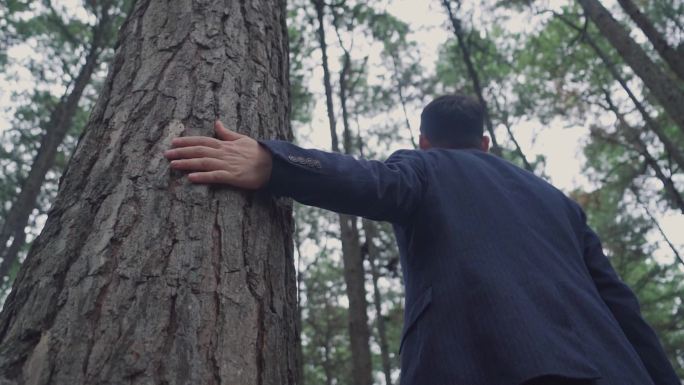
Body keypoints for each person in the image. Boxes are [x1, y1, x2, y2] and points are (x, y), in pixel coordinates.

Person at [163, 94, 680, 385]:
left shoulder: (425, 165)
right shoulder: (557, 200)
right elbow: (622, 307)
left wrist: (274, 163)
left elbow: (379, 183)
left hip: (481, 364)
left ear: (423, 140)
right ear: (485, 142)